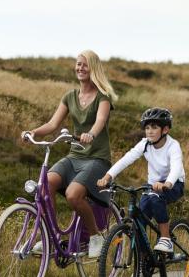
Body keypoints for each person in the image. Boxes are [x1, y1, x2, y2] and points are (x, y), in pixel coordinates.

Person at [23, 50, 118, 258]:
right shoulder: (70, 96)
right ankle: (51, 237)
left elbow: (100, 121)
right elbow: (53, 124)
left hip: (96, 160)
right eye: (78, 64)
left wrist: (90, 135)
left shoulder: (103, 97)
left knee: (73, 195)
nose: (80, 68)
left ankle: (95, 236)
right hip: (74, 157)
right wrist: (34, 132)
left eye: (84, 65)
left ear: (93, 68)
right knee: (45, 184)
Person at [97, 107, 185, 253]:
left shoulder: (173, 145)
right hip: (152, 186)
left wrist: (167, 184)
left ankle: (166, 239)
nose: (150, 131)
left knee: (157, 198)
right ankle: (145, 260)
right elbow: (126, 159)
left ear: (165, 130)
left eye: (154, 127)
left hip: (174, 184)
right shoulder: (144, 144)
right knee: (139, 219)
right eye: (147, 127)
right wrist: (108, 176)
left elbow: (176, 167)